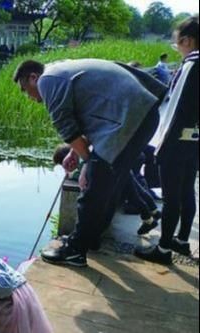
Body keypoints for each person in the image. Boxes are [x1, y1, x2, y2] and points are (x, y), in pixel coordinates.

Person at [13, 59, 166, 267]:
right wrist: (76, 154)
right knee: (109, 184)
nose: (30, 97)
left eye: (25, 89)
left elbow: (65, 126)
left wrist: (87, 163)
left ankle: (75, 250)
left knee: (93, 187)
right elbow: (93, 116)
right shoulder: (63, 70)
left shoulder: (47, 80)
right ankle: (89, 238)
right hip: (140, 115)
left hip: (130, 117)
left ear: (33, 77)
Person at [135, 16, 199, 265]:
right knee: (186, 190)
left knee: (172, 196)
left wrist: (159, 145)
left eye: (177, 43)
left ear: (188, 40)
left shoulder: (191, 65)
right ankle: (181, 240)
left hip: (176, 140)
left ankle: (163, 249)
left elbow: (173, 109)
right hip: (194, 140)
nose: (178, 48)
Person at [53, 144, 161, 235]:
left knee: (133, 194)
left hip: (119, 166)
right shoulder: (84, 150)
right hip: (122, 161)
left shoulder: (83, 159)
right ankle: (152, 214)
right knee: (135, 192)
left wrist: (71, 175)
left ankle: (150, 218)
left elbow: (84, 175)